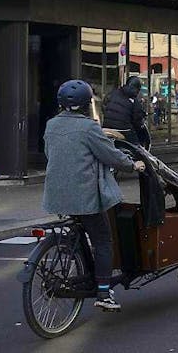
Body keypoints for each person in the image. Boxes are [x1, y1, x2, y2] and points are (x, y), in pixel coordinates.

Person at [42, 80, 145, 312]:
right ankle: (103, 292)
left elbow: (52, 152)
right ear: (87, 103)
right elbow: (111, 156)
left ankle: (83, 264)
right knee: (103, 240)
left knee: (84, 229)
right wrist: (133, 165)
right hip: (84, 195)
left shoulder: (51, 125)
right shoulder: (89, 128)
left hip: (57, 194)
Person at [102, 76, 150, 149]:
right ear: (137, 88)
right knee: (137, 148)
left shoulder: (113, 93)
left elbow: (104, 105)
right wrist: (140, 122)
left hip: (106, 127)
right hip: (123, 130)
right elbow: (137, 120)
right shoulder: (134, 100)